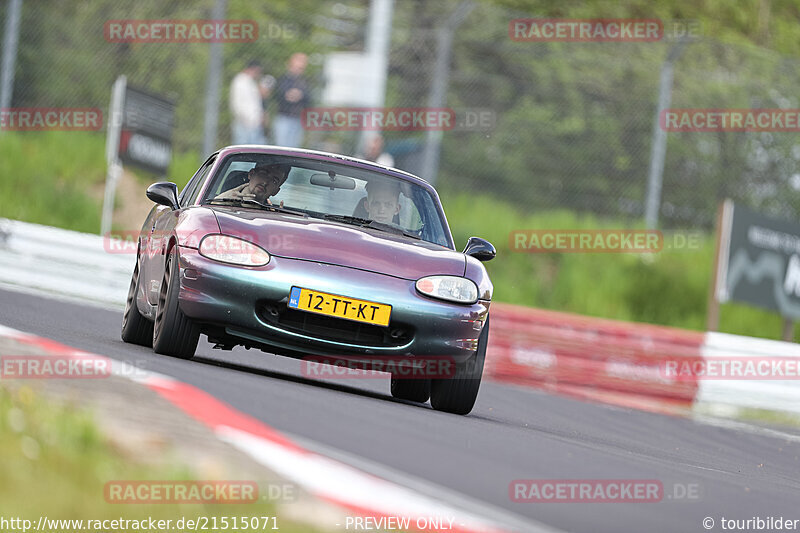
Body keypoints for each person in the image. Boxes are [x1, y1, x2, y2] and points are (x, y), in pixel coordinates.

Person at [272, 52, 310, 148]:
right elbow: (277, 95)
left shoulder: (304, 81)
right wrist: (288, 95)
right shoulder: (283, 79)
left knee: (294, 147)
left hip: (297, 118)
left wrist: (300, 95)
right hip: (284, 117)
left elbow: (309, 99)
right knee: (281, 147)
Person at [230, 60, 268, 145]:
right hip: (244, 122)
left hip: (254, 122)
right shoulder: (240, 81)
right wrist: (244, 118)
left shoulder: (250, 81)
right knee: (242, 147)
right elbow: (238, 103)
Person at [216, 164, 289, 205]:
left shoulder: (272, 216)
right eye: (263, 174)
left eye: (274, 181)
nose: (265, 182)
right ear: (251, 174)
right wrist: (218, 201)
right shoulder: (218, 201)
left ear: (276, 191)